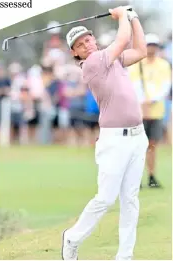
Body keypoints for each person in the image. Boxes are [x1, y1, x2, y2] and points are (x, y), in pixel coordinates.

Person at [62, 6, 148, 260]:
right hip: (114, 141)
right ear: (75, 53)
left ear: (94, 39)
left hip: (137, 137)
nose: (86, 44)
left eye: (88, 39)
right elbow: (122, 40)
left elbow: (141, 50)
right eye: (80, 43)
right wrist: (122, 15)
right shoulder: (92, 63)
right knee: (105, 199)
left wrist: (133, 18)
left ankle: (125, 255)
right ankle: (72, 237)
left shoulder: (112, 60)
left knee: (130, 199)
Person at [128, 33, 172, 188]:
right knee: (137, 147)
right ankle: (136, 177)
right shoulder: (136, 64)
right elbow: (133, 85)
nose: (151, 48)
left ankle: (151, 176)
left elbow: (166, 85)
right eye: (149, 45)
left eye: (154, 45)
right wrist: (142, 102)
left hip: (156, 111)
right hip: (139, 111)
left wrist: (152, 100)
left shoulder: (163, 64)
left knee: (152, 145)